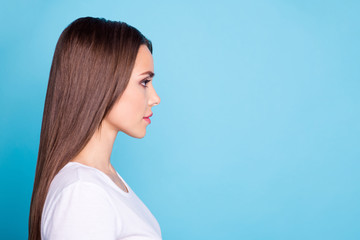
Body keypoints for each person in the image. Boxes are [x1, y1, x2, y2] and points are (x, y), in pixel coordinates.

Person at [28, 16, 162, 240]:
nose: (155, 98)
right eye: (144, 82)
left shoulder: (103, 181)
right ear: (104, 83)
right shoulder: (82, 193)